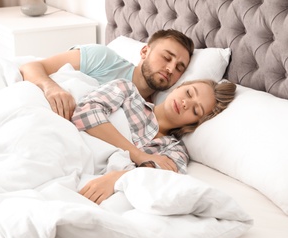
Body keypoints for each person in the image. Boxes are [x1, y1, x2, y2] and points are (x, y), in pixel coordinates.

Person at [71, 78, 237, 204]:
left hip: (89, 180)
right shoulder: (127, 91)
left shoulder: (174, 152)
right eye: (188, 93)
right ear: (180, 86)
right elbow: (84, 114)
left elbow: (155, 179)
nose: (186, 103)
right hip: (70, 145)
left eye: (195, 110)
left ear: (193, 124)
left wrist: (114, 178)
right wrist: (139, 155)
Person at [19, 29, 194, 120]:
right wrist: (51, 88)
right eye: (166, 57)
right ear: (144, 51)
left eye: (179, 68)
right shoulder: (103, 58)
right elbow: (31, 67)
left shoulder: (152, 112)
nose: (171, 69)